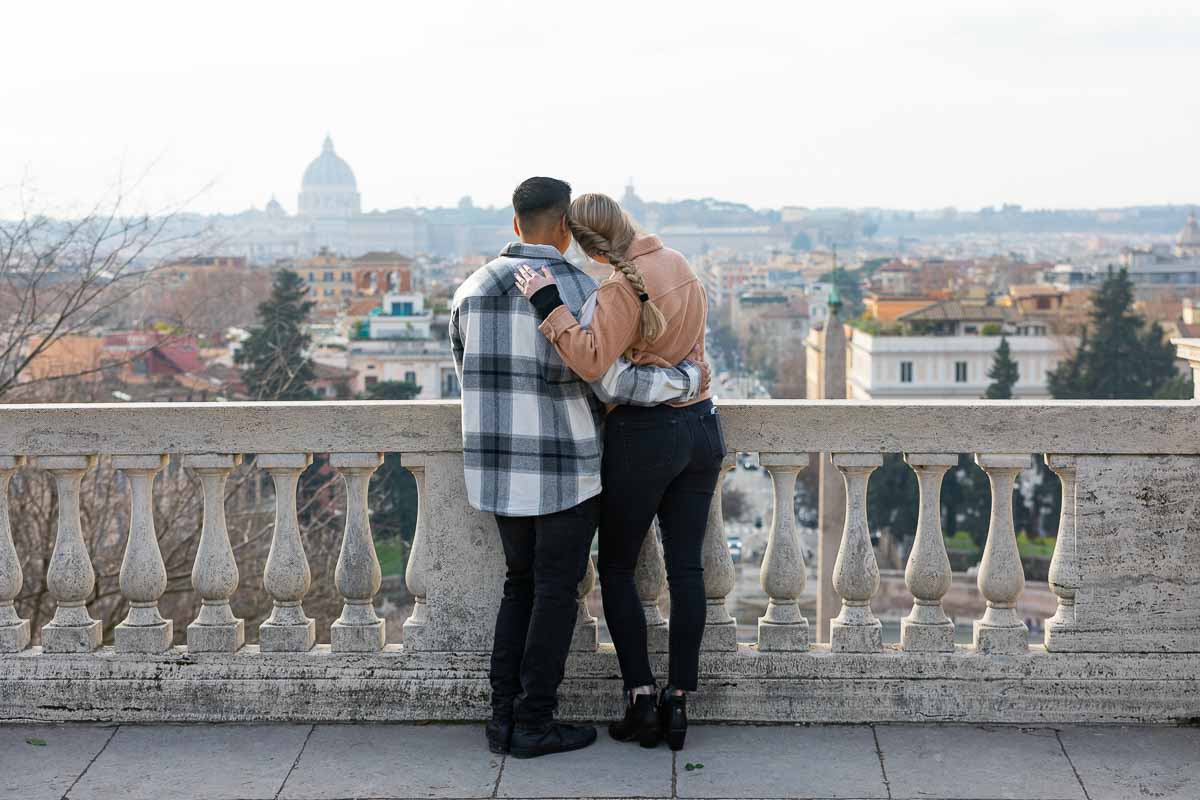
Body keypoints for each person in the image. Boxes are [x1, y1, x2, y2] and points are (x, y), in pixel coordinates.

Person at [450, 178, 709, 759]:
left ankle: (502, 720)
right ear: (565, 229)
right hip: (567, 469)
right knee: (556, 593)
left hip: (497, 471)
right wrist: (687, 380)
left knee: (519, 587)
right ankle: (536, 720)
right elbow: (609, 381)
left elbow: (465, 374)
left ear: (515, 224)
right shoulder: (580, 287)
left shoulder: (468, 289)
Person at [516, 192, 725, 751]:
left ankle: (640, 696)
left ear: (586, 243)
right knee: (686, 569)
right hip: (702, 428)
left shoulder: (616, 289)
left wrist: (549, 307)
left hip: (643, 436)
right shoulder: (680, 265)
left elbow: (590, 361)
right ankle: (678, 701)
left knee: (616, 567)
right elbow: (698, 359)